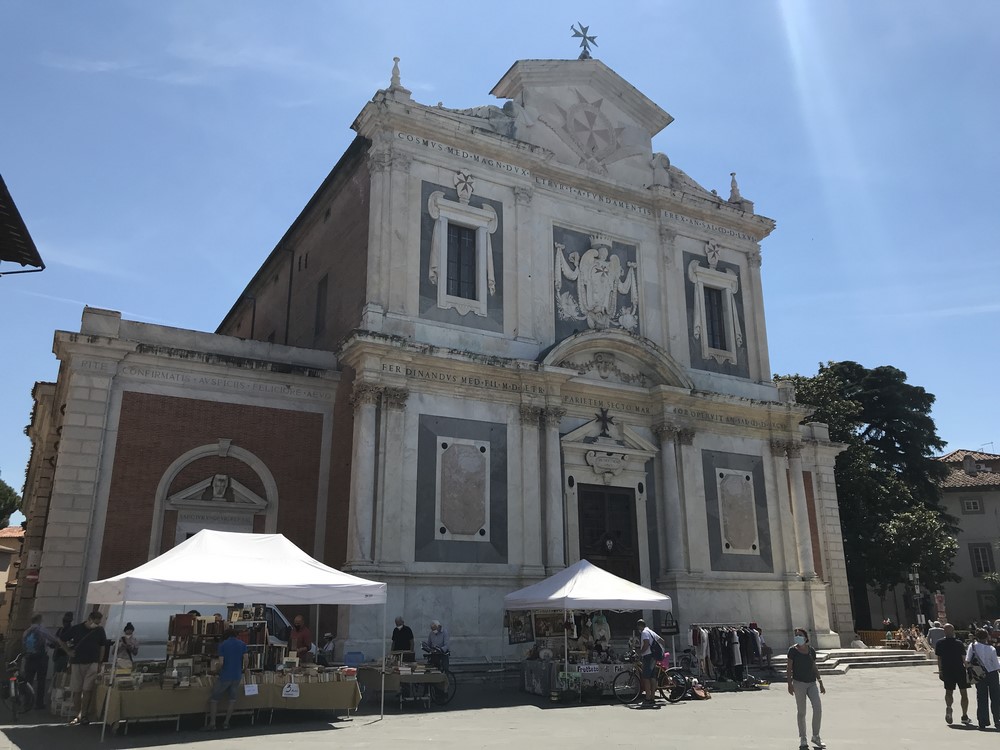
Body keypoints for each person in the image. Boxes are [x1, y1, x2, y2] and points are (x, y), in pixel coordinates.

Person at [787, 627, 825, 750]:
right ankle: (803, 737)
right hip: (799, 683)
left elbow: (814, 666)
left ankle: (816, 735)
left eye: (800, 635)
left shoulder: (811, 650)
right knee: (802, 711)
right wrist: (789, 684)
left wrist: (820, 681)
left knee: (817, 708)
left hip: (812, 683)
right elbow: (789, 668)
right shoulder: (792, 650)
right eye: (796, 635)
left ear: (805, 637)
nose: (797, 637)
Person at [203, 628, 248, 731]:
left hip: (225, 675)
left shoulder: (223, 645)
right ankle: (226, 723)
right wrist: (244, 669)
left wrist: (216, 670)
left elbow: (221, 662)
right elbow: (246, 659)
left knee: (214, 699)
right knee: (232, 700)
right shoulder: (242, 644)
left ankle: (212, 723)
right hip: (237, 675)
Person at [67, 611, 108, 726]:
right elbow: (61, 639)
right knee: (77, 690)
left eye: (98, 623)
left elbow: (102, 646)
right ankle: (78, 714)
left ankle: (84, 714)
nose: (97, 625)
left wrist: (100, 662)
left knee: (87, 690)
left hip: (92, 662)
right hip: (77, 662)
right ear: (89, 619)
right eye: (96, 622)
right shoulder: (77, 628)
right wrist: (68, 651)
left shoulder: (100, 630)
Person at [935, 623, 971, 725]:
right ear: (953, 631)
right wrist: (968, 669)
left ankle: (949, 707)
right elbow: (964, 658)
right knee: (963, 693)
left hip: (947, 670)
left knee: (949, 691)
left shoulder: (939, 643)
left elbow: (939, 659)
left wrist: (940, 670)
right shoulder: (959, 643)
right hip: (959, 670)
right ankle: (964, 716)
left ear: (944, 632)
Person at [22, 614, 59, 709]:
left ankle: (27, 702)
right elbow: (53, 640)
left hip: (29, 658)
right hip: (41, 659)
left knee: (28, 681)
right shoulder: (41, 630)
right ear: (39, 620)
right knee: (41, 681)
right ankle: (39, 703)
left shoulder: (26, 631)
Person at [966, 627, 1000, 729]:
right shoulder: (991, 649)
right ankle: (997, 720)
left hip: (979, 674)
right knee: (995, 697)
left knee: (981, 697)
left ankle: (982, 721)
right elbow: (996, 665)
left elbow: (967, 660)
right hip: (992, 673)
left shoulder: (972, 646)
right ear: (987, 637)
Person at [636, 618, 666, 707]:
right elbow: (662, 641)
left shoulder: (644, 633)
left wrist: (640, 652)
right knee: (652, 677)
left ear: (639, 626)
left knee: (646, 677)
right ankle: (652, 697)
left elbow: (646, 644)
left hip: (648, 656)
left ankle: (648, 698)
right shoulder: (650, 631)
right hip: (653, 656)